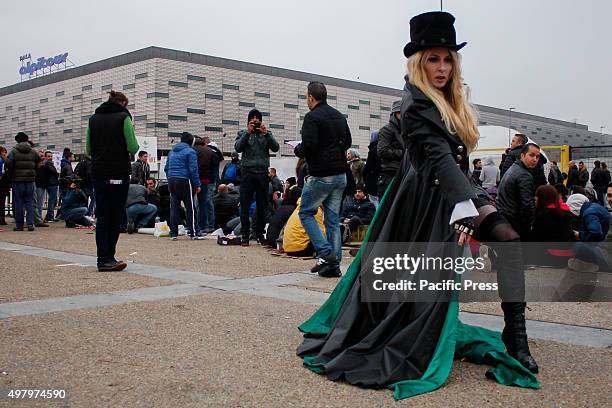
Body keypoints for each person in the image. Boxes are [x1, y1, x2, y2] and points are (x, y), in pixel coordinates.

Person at [297, 13, 539, 400]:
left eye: (447, 59)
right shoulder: (415, 102)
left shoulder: (451, 96)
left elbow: (455, 160)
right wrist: (463, 204)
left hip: (456, 190)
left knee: (509, 242)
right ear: (418, 61)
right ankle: (410, 329)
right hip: (428, 197)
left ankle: (517, 336)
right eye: (433, 59)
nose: (441, 67)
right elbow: (439, 158)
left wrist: (467, 198)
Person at [294, 81, 352, 278]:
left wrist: (298, 150)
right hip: (340, 175)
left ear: (311, 97)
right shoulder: (338, 116)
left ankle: (326, 253)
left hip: (321, 175)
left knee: (306, 213)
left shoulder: (312, 117)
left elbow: (308, 146)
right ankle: (333, 267)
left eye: (306, 97)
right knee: (333, 220)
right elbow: (349, 142)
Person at [86, 90, 139, 272]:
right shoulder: (123, 118)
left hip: (98, 172)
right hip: (118, 172)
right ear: (123, 103)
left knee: (102, 216)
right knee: (115, 216)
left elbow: (88, 149)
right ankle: (109, 257)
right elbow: (133, 147)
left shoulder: (93, 119)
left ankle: (102, 258)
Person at [234, 108, 280, 245]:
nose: (255, 120)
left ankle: (260, 234)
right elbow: (238, 148)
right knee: (245, 203)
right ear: (248, 121)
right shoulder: (243, 133)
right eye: (252, 118)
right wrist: (247, 133)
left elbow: (276, 148)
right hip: (247, 171)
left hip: (261, 172)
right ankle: (245, 235)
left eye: (257, 118)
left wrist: (266, 134)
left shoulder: (266, 134)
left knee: (262, 204)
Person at [496, 143, 540, 239]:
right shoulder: (524, 175)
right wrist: (530, 226)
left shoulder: (513, 168)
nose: (535, 159)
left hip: (505, 219)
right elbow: (527, 206)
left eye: (537, 156)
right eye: (531, 155)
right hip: (516, 223)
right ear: (522, 155)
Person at [164, 132, 202, 240]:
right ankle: (193, 232)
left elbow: (166, 168)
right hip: (185, 180)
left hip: (171, 179)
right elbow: (193, 170)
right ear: (192, 142)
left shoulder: (172, 151)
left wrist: (170, 177)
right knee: (190, 207)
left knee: (174, 208)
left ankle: (173, 233)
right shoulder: (191, 152)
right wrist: (197, 184)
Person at [5, 132, 41, 231]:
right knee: (30, 202)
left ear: (17, 140)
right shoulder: (33, 151)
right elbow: (39, 162)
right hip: (30, 180)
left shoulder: (13, 151)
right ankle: (30, 224)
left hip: (17, 181)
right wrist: (34, 172)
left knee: (19, 203)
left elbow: (8, 164)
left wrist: (11, 174)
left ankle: (19, 225)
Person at [377, 100, 404, 197]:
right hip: (390, 174)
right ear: (396, 114)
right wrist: (403, 153)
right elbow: (382, 150)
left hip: (404, 173)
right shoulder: (387, 130)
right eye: (402, 112)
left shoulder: (407, 130)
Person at [193, 136, 215, 235]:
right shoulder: (210, 152)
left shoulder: (191, 150)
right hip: (206, 180)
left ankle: (193, 225)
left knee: (192, 203)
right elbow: (213, 168)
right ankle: (204, 226)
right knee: (204, 204)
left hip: (193, 180)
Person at [362, 131, 380, 206]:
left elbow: (367, 169)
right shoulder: (384, 147)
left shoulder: (373, 150)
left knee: (374, 202)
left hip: (372, 182)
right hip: (382, 180)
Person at [0, 146, 10, 225]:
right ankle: (2, 219)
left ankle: (2, 219)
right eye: (4, 152)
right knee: (2, 203)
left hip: (3, 185)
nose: (5, 153)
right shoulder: (2, 161)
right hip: (3, 185)